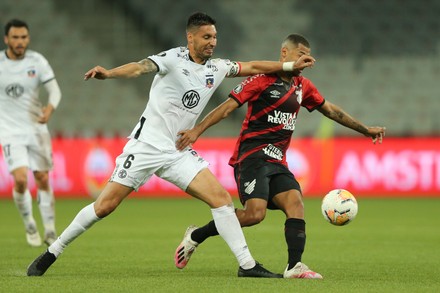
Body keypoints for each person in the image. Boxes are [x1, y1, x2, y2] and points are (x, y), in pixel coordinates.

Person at [26, 13, 315, 277]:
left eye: (214, 37)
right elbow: (140, 67)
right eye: (206, 37)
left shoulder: (217, 67)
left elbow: (252, 65)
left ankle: (247, 265)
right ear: (190, 38)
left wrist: (289, 65)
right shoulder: (172, 59)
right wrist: (110, 73)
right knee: (105, 206)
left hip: (177, 150)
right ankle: (53, 251)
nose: (212, 42)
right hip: (146, 147)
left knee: (222, 201)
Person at [174, 33, 386, 279]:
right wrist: (197, 130)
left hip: (277, 162)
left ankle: (294, 266)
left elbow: (331, 110)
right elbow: (227, 108)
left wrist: (365, 130)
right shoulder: (261, 80)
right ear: (285, 54)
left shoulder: (302, 86)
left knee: (295, 203)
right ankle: (196, 235)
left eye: (308, 55)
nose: (306, 60)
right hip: (251, 158)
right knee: (255, 215)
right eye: (300, 54)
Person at [0, 19, 62, 247]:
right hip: (9, 131)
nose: (20, 42)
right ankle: (29, 223)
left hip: (36, 129)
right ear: (7, 39)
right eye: (15, 37)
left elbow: (54, 90)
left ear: (28, 38)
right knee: (19, 180)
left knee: (43, 178)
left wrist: (49, 109)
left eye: (23, 37)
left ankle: (50, 230)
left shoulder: (37, 61)